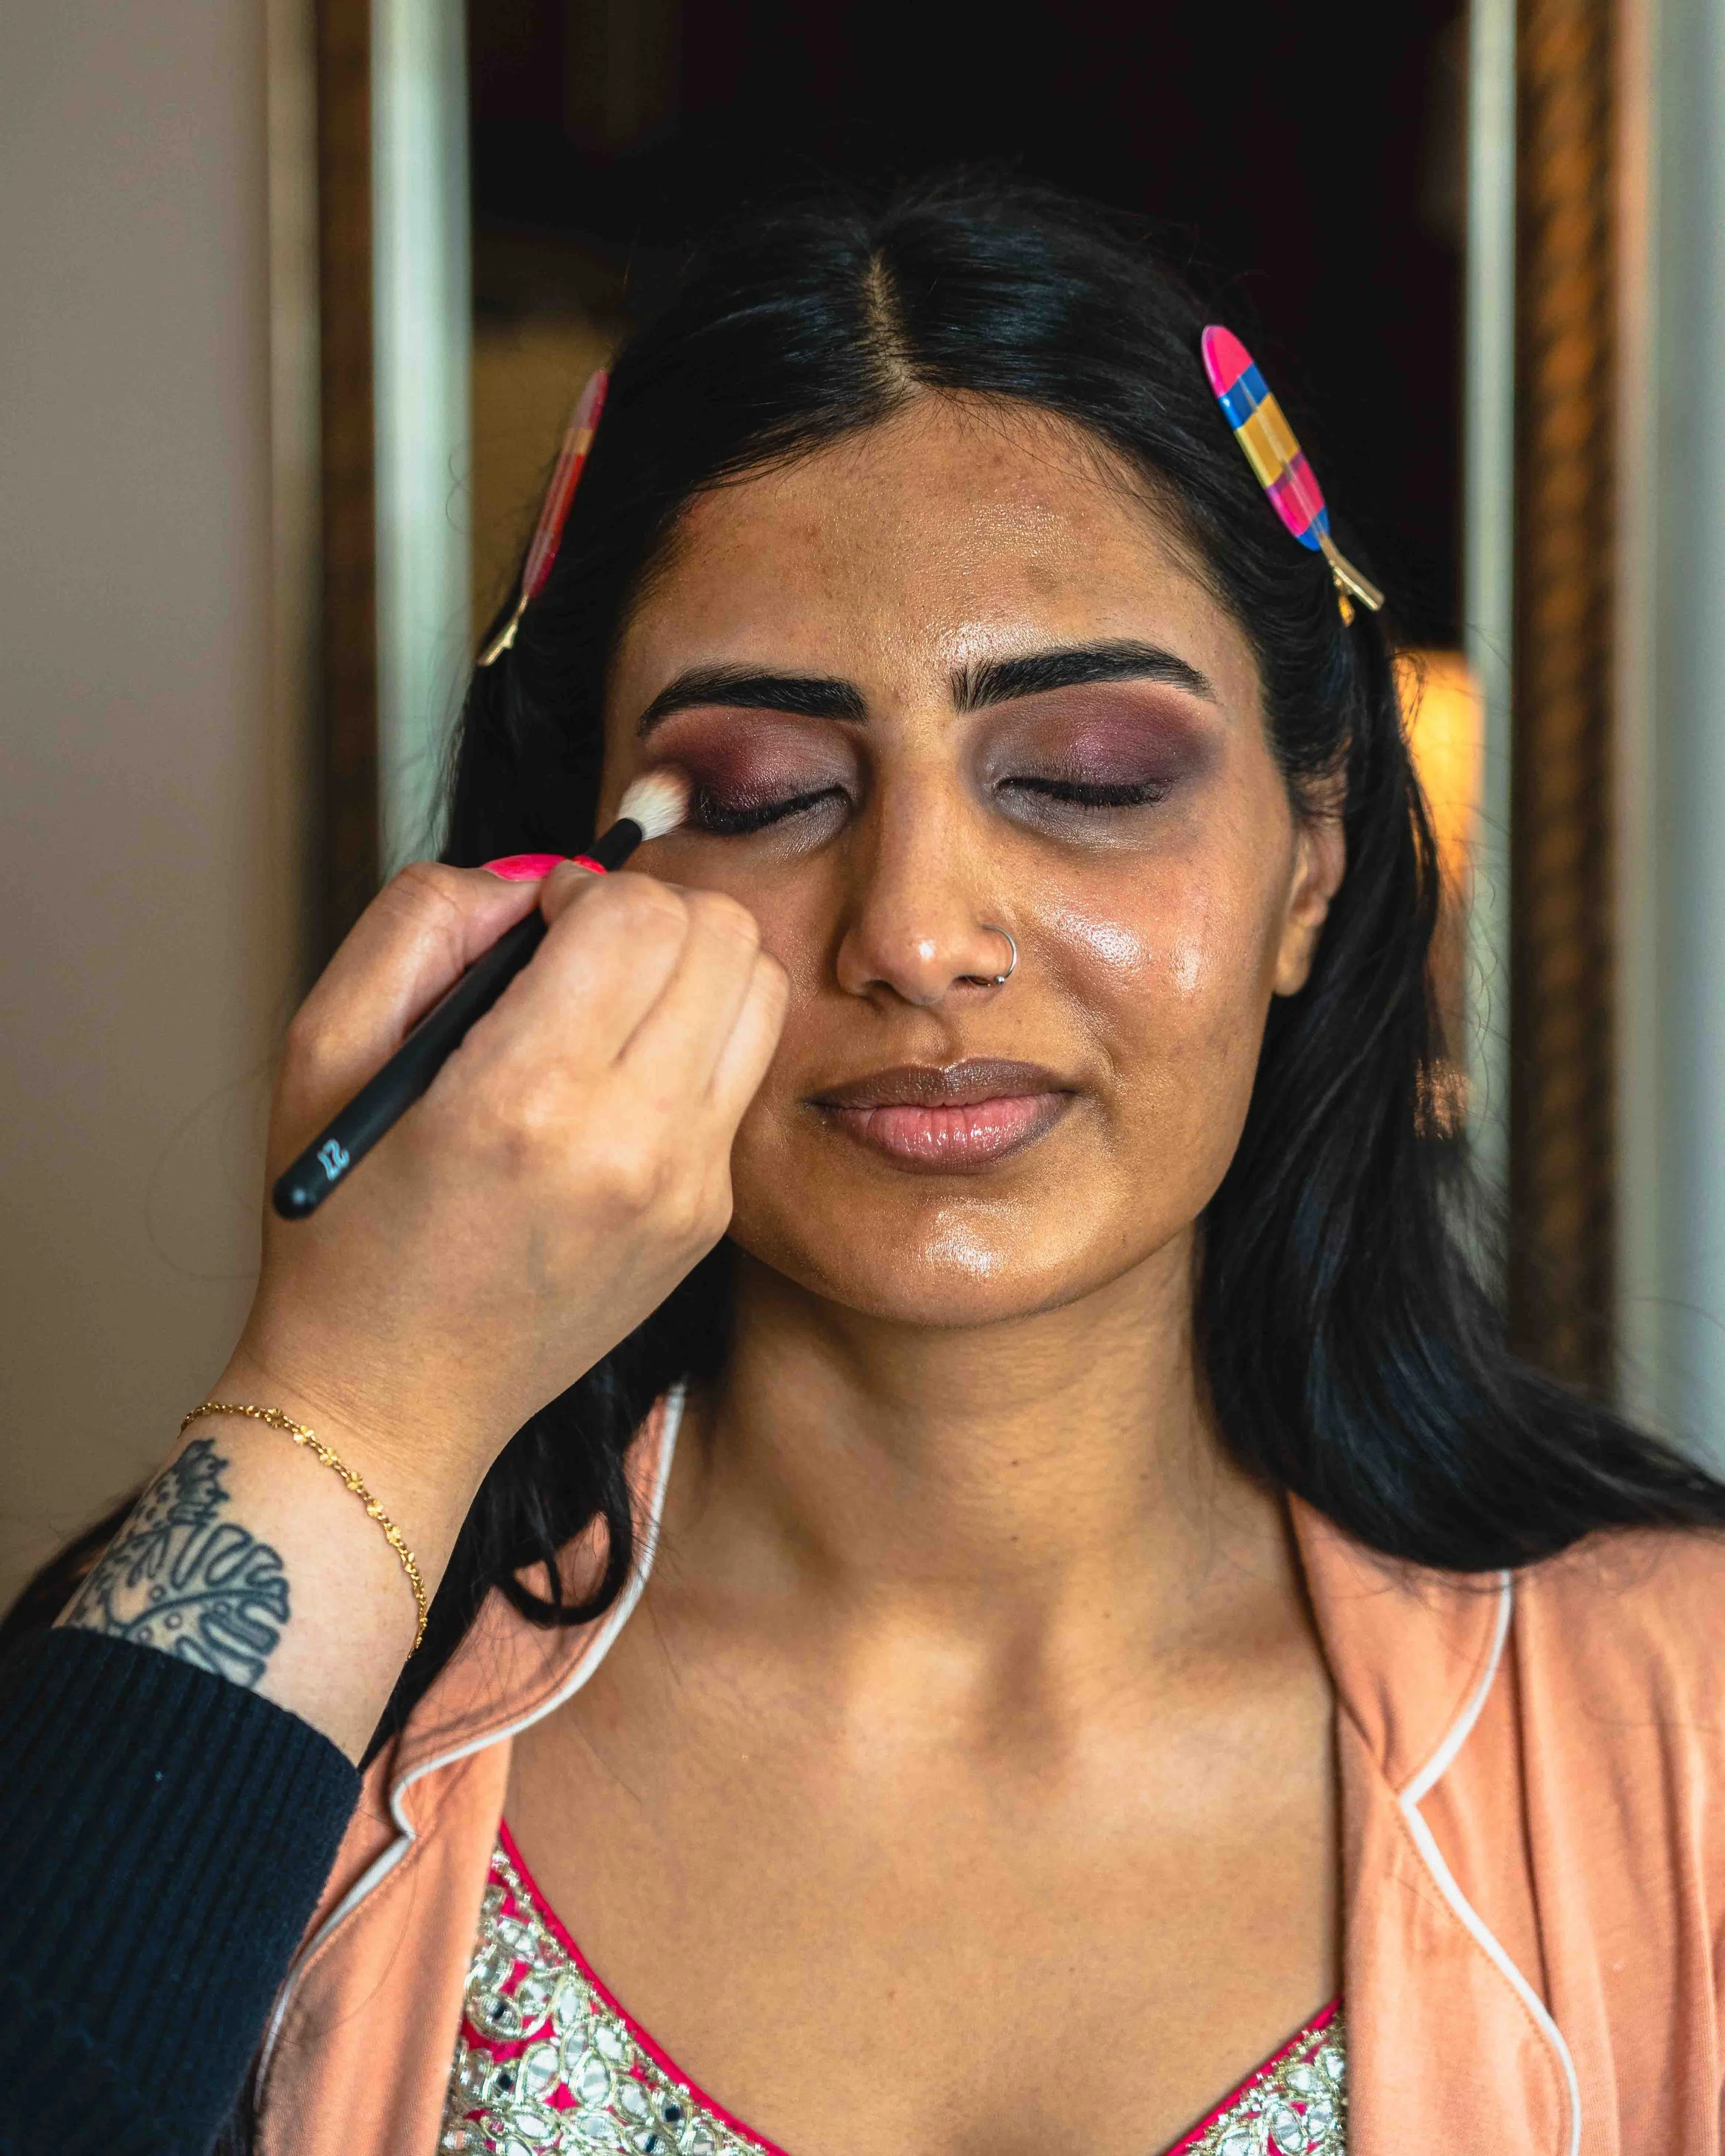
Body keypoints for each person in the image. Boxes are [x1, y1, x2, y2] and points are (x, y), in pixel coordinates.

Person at [5, 172, 1725, 2156]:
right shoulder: (275, 1707)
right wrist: (346, 1406)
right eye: (765, 795)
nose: (915, 926)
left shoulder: (1679, 1721)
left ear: (1311, 863)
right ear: (567, 891)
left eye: (1082, 780)